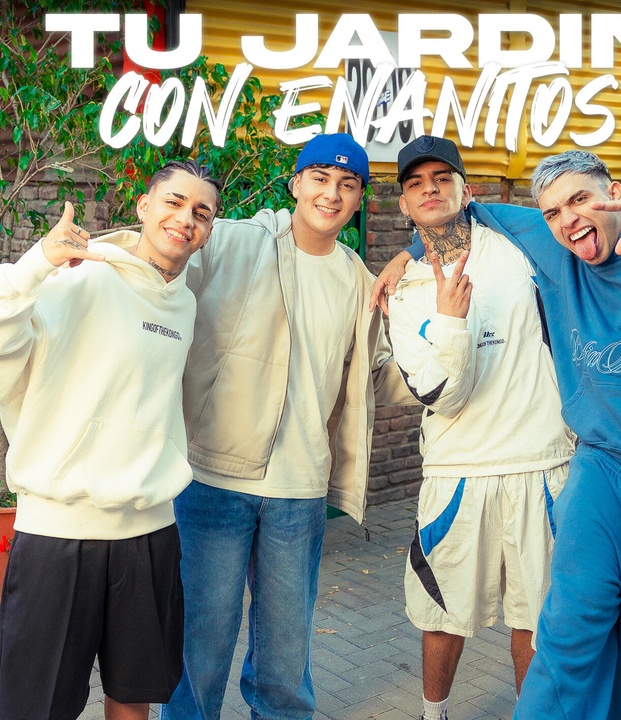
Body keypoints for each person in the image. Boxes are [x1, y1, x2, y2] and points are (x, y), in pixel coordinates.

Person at [372, 150, 621, 719]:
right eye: (553, 211)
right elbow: (452, 218)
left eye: (581, 199)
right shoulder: (553, 251)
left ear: (615, 191)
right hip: (599, 465)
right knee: (565, 629)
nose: (568, 219)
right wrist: (408, 256)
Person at [160, 133, 415, 720]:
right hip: (214, 479)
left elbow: (375, 377)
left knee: (285, 656)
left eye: (347, 185)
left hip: (299, 490)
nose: (332, 194)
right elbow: (157, 266)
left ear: (359, 199)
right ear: (297, 183)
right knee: (199, 646)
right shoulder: (233, 242)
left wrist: (446, 363)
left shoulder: (358, 280)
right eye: (320, 179)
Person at [0, 159, 220, 720]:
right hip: (57, 533)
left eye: (201, 212)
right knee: (35, 706)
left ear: (208, 231)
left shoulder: (184, 302)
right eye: (173, 202)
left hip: (148, 531)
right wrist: (35, 264)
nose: (186, 219)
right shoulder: (79, 275)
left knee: (132, 696)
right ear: (144, 206)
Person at [387, 136, 574, 720]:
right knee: (443, 613)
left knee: (538, 616)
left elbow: (571, 227)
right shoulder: (402, 291)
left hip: (542, 460)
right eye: (416, 184)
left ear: (467, 190)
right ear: (403, 205)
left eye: (442, 178)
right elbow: (443, 396)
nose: (430, 190)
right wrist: (451, 321)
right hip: (457, 471)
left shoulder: (519, 250)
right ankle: (433, 713)